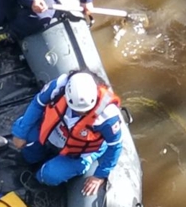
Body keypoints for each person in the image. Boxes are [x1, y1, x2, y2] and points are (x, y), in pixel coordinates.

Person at [12, 70, 128, 200]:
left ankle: (39, 179)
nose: (82, 114)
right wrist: (20, 133)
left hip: (78, 153)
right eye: (78, 111)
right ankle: (31, 161)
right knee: (28, 144)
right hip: (53, 135)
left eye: (86, 111)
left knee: (50, 175)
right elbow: (37, 104)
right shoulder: (58, 87)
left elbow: (115, 145)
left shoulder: (107, 116)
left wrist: (100, 175)